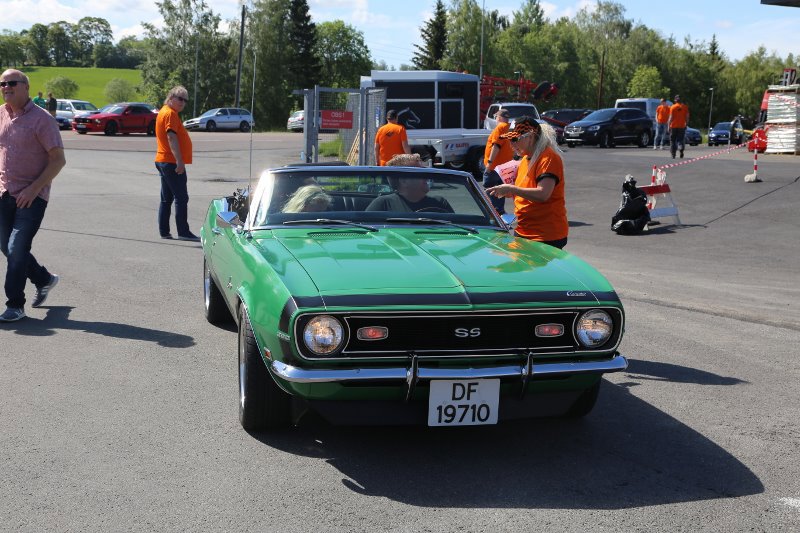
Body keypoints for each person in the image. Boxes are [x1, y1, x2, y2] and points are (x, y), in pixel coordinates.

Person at [0, 69, 66, 322]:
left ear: (26, 87)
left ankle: (15, 305)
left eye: (11, 83)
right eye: (2, 84)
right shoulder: (1, 114)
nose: (5, 87)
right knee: (7, 247)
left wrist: (34, 188)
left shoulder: (42, 120)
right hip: (4, 193)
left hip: (32, 196)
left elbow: (58, 160)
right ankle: (43, 279)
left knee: (16, 248)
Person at [486, 116, 568, 249]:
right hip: (524, 230)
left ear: (531, 137)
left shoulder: (548, 158)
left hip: (545, 236)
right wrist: (510, 192)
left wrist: (512, 189)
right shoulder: (525, 159)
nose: (511, 145)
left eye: (515, 139)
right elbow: (527, 189)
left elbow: (543, 194)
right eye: (509, 140)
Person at [154, 85, 198, 241]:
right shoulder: (170, 114)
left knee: (166, 199)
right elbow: (171, 137)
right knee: (181, 198)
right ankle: (183, 232)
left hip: (163, 160)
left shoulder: (164, 111)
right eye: (180, 99)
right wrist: (179, 161)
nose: (183, 103)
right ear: (171, 97)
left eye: (185, 100)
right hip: (171, 162)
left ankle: (164, 231)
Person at [366, 156, 453, 213]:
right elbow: (365, 231)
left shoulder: (440, 203)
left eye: (424, 171)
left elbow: (457, 230)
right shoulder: (383, 204)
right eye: (420, 173)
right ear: (404, 181)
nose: (426, 176)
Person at [482, 108, 515, 214]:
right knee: (500, 190)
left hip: (495, 167)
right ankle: (500, 212)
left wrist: (489, 164)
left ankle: (495, 213)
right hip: (505, 167)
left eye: (496, 116)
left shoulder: (500, 128)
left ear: (499, 117)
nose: (495, 118)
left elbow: (496, 146)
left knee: (490, 189)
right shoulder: (510, 128)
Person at [668, 94, 690, 159]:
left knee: (672, 140)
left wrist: (668, 125)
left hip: (673, 126)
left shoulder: (673, 107)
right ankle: (680, 148)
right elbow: (687, 117)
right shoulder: (685, 107)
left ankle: (673, 154)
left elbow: (671, 117)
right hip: (681, 126)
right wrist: (686, 124)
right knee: (680, 139)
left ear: (675, 100)